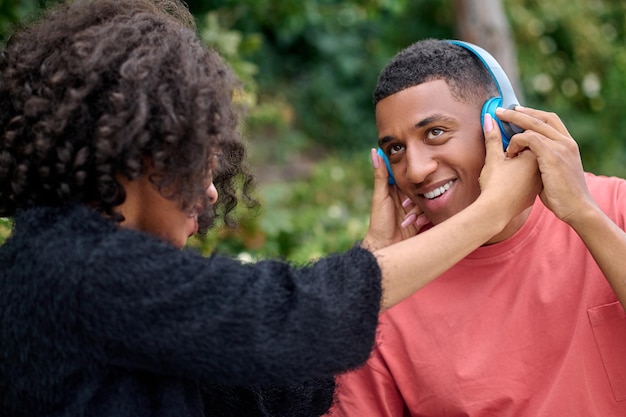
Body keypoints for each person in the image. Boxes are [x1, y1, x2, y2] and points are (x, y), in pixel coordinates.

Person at [0, 2, 541, 416]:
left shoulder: (63, 264)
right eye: (200, 162)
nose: (212, 192)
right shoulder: (79, 270)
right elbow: (289, 317)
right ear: (147, 149)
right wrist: (492, 211)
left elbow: (260, 391)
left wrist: (373, 256)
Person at [330, 38, 626, 417]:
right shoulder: (390, 286)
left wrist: (584, 214)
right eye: (396, 149)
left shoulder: (611, 208)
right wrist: (366, 277)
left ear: (503, 123)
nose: (416, 170)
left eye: (434, 132)